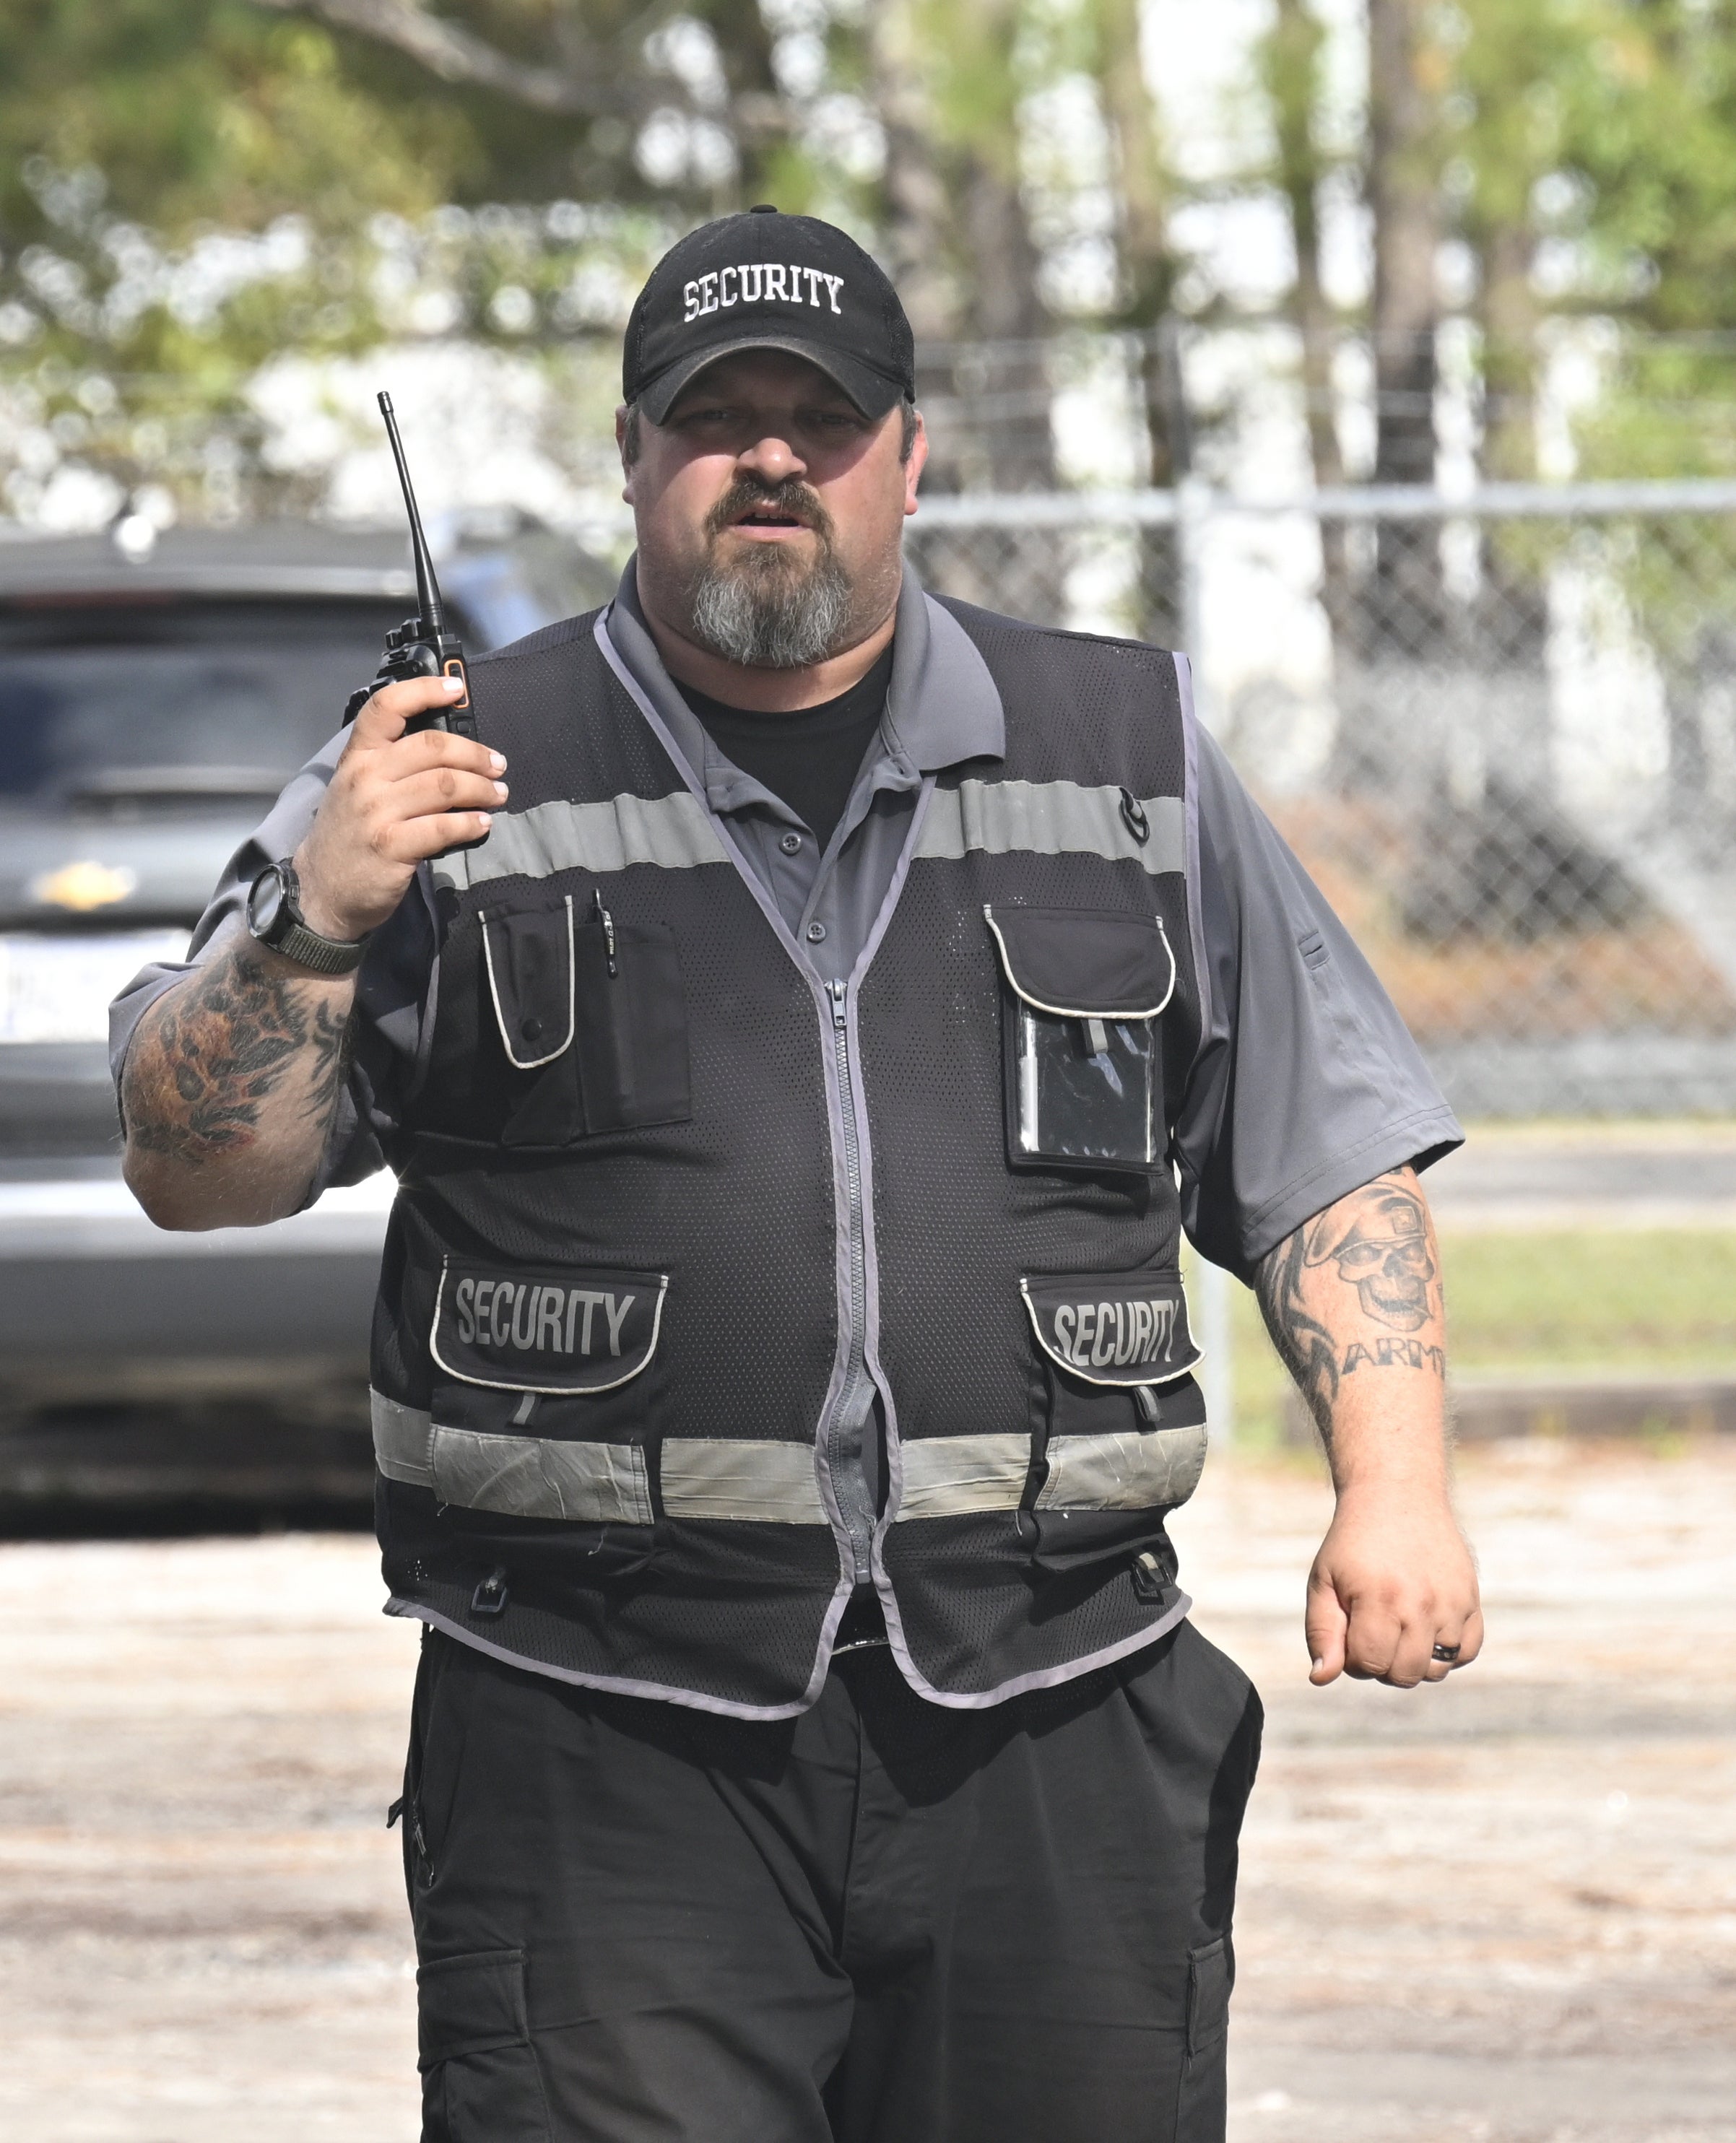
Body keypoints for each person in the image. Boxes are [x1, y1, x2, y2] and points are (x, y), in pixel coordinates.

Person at [111, 208, 1482, 2143]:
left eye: (818, 418)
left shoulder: (1119, 753)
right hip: (599, 1729)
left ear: (906, 459)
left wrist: (1396, 1492)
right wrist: (317, 926)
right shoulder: (440, 768)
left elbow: (1325, 1151)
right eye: (713, 416)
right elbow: (200, 1173)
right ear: (630, 459)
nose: (769, 456)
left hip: (1055, 1703)